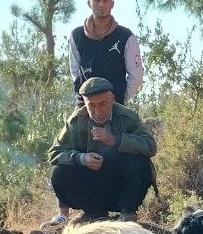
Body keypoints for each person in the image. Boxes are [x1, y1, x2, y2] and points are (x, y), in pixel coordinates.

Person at [46, 0, 147, 225]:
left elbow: (136, 74)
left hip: (115, 102)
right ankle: (70, 213)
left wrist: (117, 101)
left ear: (112, 3)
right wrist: (87, 103)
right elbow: (74, 70)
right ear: (89, 2)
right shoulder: (77, 35)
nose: (101, 4)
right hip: (85, 103)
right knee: (76, 153)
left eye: (106, 0)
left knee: (132, 157)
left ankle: (127, 210)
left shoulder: (125, 36)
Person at [44, 77, 157, 226]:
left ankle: (128, 213)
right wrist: (81, 158)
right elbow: (54, 153)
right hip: (92, 188)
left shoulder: (127, 117)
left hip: (121, 187)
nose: (97, 111)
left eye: (103, 104)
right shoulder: (76, 121)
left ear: (112, 99)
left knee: (140, 162)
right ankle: (94, 213)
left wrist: (116, 140)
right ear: (84, 103)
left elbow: (150, 146)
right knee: (59, 172)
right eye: (92, 105)